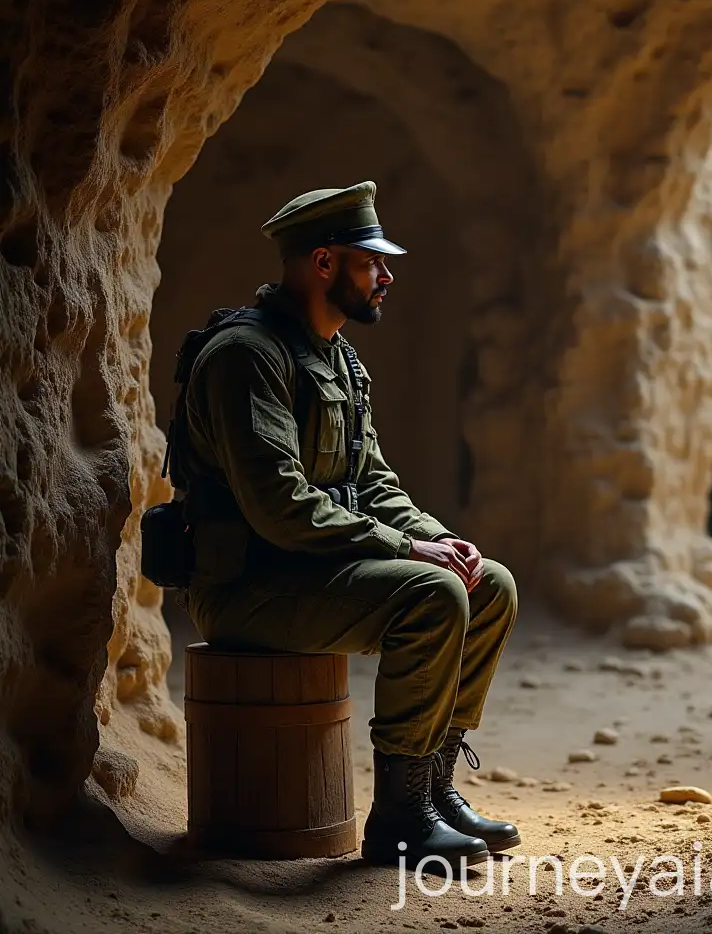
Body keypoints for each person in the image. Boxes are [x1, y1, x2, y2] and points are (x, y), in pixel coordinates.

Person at [179, 181, 519, 868]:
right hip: (248, 586)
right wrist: (408, 550)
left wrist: (437, 538)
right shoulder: (247, 358)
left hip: (311, 569)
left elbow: (372, 482)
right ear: (324, 263)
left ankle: (432, 792)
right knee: (433, 596)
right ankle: (399, 820)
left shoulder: (337, 356)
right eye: (372, 262)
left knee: (489, 584)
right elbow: (280, 505)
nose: (388, 276)